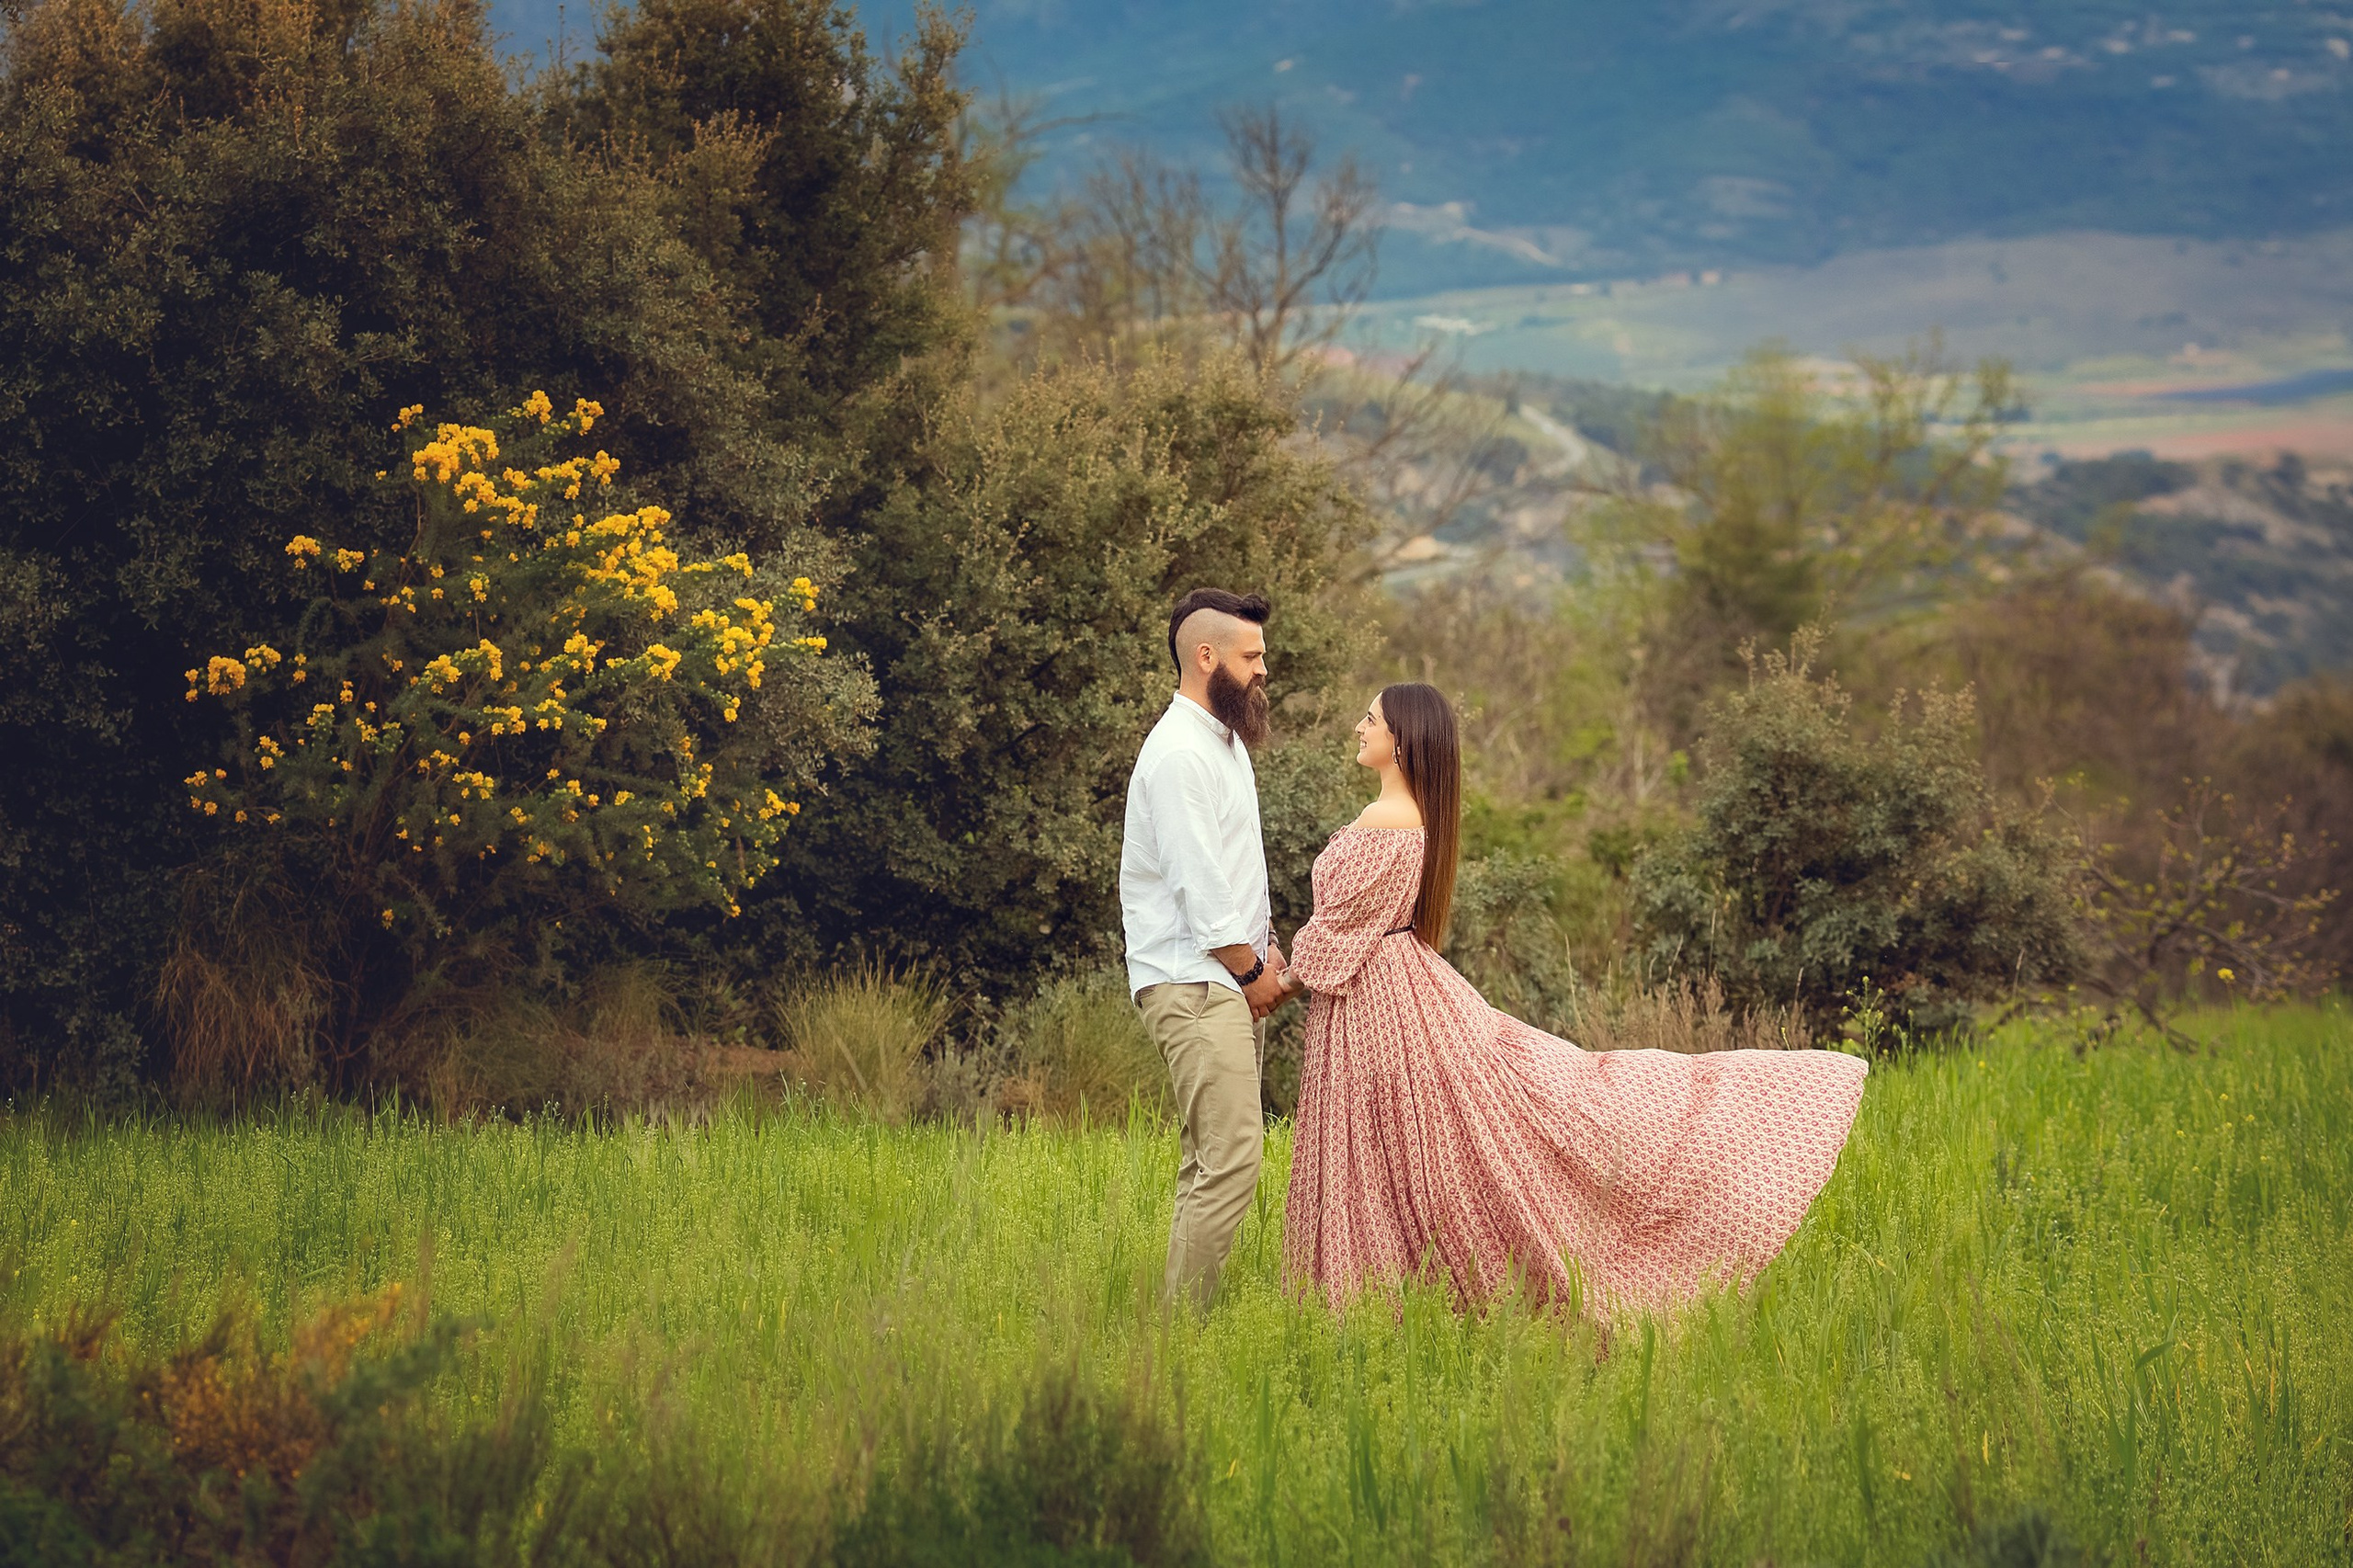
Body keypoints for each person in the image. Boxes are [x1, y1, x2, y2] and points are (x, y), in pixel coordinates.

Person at [1278, 683, 1868, 1316]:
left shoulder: (1386, 822)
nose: (1358, 727)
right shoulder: (1411, 816)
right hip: (1394, 987)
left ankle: (1377, 1300)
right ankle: (1400, 1295)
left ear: (1403, 738)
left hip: (1382, 996)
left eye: (1370, 719)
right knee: (1430, 1140)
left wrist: (1277, 981)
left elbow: (1339, 930)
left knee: (1400, 1144)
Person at [1120, 587, 1297, 1308]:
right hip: (1193, 984)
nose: (1263, 669)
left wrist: (1269, 951)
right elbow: (1200, 891)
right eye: (1251, 656)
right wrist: (1253, 972)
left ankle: (1175, 1322)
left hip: (1218, 979)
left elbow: (1233, 868)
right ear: (1206, 656)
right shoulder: (1178, 755)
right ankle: (1180, 1331)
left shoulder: (1221, 743)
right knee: (1231, 1161)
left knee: (1210, 1160)